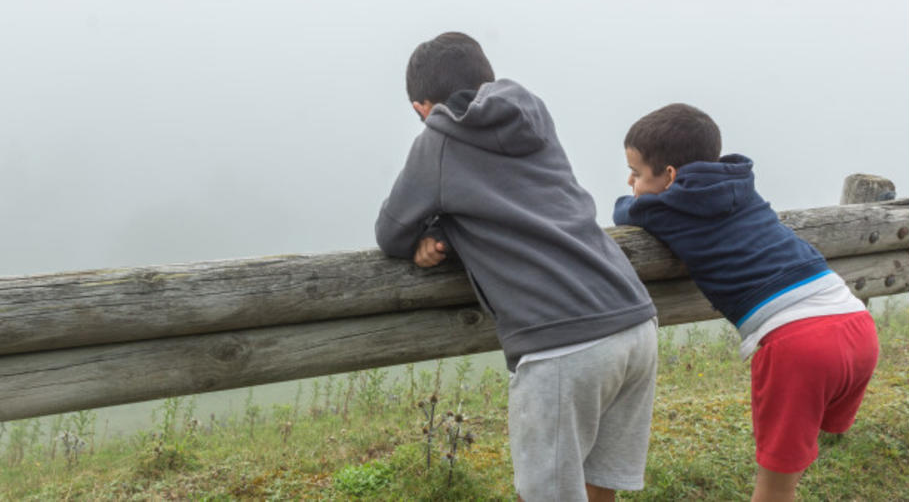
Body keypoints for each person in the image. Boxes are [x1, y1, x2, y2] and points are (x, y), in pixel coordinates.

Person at [375, 32, 658, 501]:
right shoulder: (533, 114)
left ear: (422, 107)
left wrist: (436, 228)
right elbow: (515, 199)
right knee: (598, 485)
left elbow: (391, 232)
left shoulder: (436, 143)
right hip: (634, 321)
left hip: (563, 343)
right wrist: (450, 226)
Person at [612, 103, 879, 502]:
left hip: (798, 344)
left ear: (669, 177)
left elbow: (624, 212)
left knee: (773, 491)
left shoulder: (666, 207)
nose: (631, 180)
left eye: (636, 172)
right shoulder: (740, 185)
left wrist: (634, 196)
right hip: (855, 323)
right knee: (802, 454)